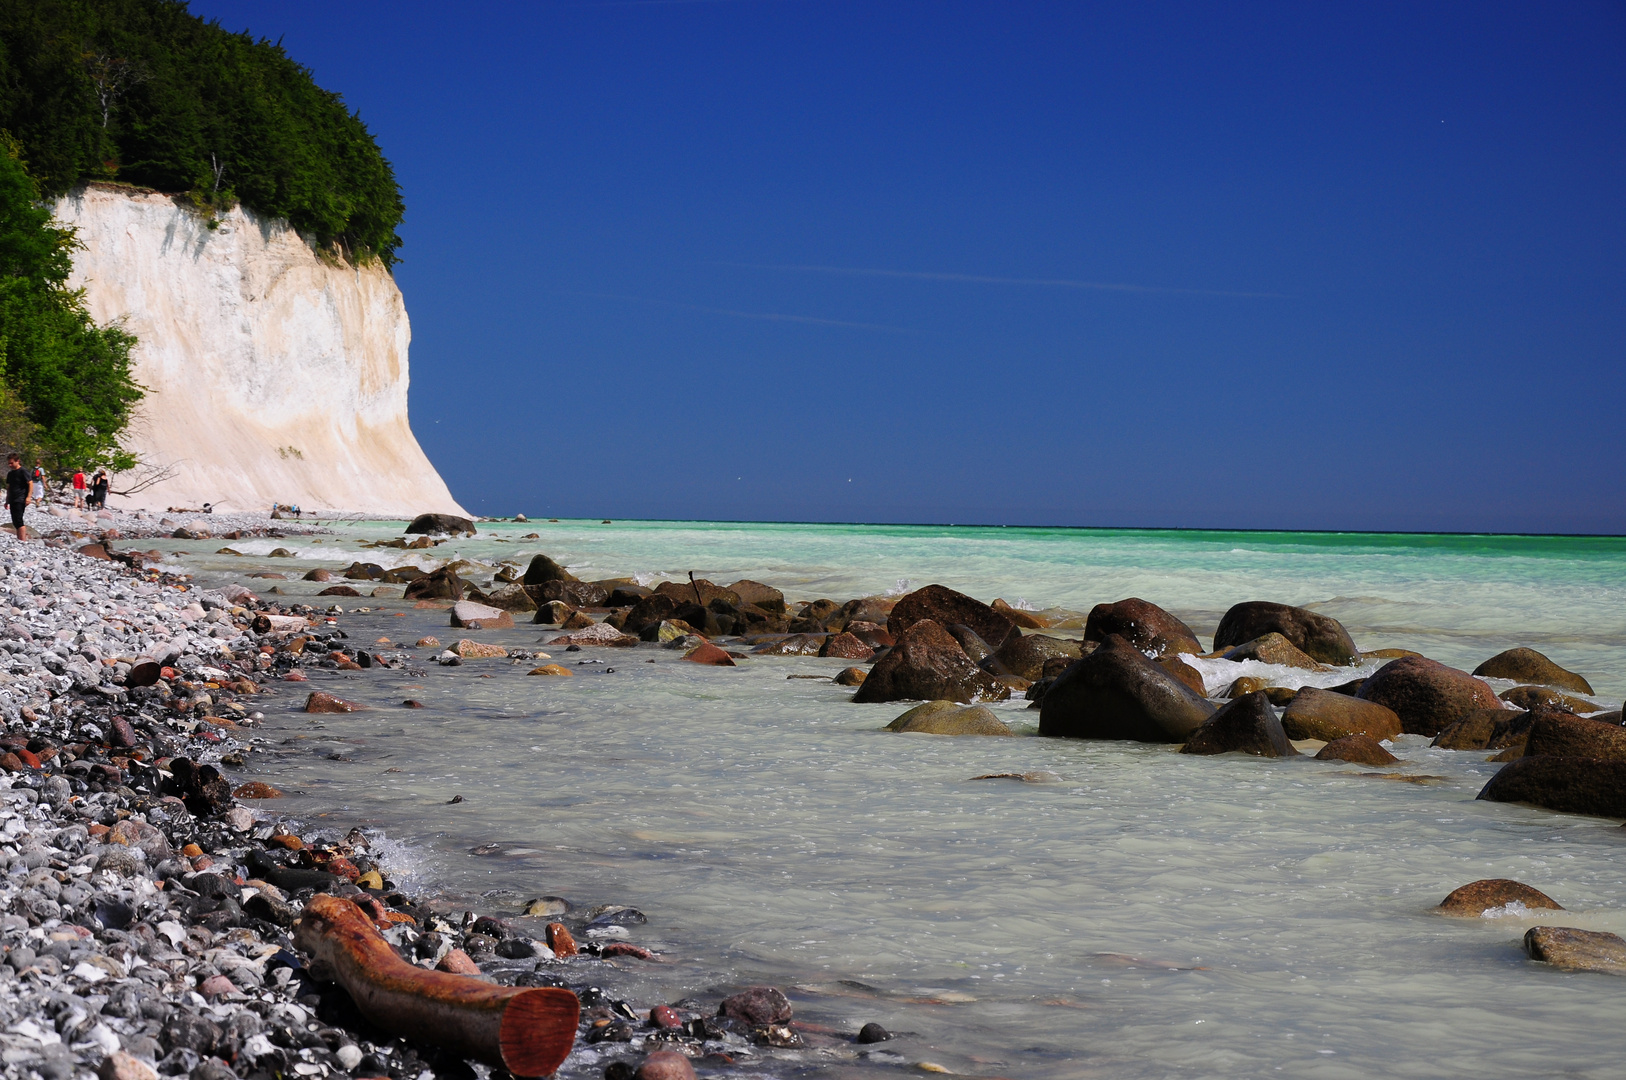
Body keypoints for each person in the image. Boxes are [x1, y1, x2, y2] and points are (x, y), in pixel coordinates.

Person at [5, 454, 29, 541]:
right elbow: (9, 487)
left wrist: (28, 497)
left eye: (11, 463)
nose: (9, 465)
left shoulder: (23, 471)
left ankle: (23, 540)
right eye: (9, 463)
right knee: (15, 520)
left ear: (17, 461)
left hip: (21, 498)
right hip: (13, 499)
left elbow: (30, 483)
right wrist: (7, 500)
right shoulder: (10, 473)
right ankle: (20, 539)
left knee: (18, 520)